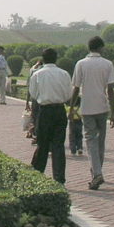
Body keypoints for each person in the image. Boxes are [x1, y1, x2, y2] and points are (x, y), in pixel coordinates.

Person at [70, 36, 114, 190]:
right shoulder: (107, 64)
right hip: (102, 107)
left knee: (91, 141)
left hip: (87, 107)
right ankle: (97, 172)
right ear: (100, 48)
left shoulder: (81, 64)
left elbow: (76, 88)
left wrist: (71, 108)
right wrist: (113, 112)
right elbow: (110, 90)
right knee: (100, 142)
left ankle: (97, 173)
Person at [27, 48, 73, 184]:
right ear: (56, 58)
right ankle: (59, 178)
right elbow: (68, 94)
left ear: (43, 59)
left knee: (43, 144)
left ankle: (37, 175)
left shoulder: (37, 74)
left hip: (45, 111)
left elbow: (34, 94)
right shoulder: (64, 74)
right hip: (59, 110)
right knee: (58, 145)